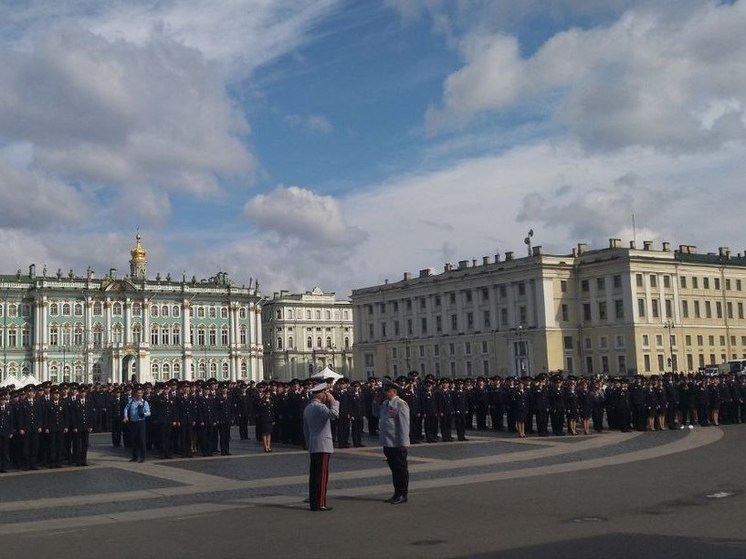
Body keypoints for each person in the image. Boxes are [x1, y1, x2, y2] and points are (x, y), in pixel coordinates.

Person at [302, 382, 339, 512]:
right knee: (322, 476)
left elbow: (305, 429)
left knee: (314, 475)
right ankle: (320, 503)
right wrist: (334, 401)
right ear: (322, 394)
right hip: (323, 445)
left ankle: (314, 501)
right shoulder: (320, 407)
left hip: (313, 444)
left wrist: (308, 443)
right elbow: (334, 414)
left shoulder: (308, 408)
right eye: (326, 393)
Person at [379, 379, 410, 505]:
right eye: (384, 390)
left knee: (400, 469)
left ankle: (403, 494)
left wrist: (403, 442)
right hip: (388, 442)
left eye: (387, 391)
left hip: (397, 443)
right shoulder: (385, 404)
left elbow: (404, 424)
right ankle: (396, 493)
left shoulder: (401, 404)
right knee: (394, 469)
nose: (385, 393)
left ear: (394, 391)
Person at [123, 386, 151, 463]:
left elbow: (149, 412)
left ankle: (143, 457)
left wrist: (144, 414)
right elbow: (126, 408)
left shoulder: (145, 402)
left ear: (142, 394)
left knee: (142, 440)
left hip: (141, 422)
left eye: (140, 393)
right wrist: (126, 416)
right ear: (135, 394)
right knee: (134, 439)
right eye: (138, 393)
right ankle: (134, 456)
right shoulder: (132, 401)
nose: (139, 394)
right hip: (133, 422)